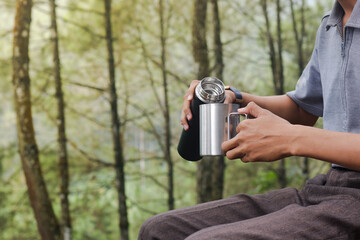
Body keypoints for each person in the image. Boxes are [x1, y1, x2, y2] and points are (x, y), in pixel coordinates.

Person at [138, 0, 360, 239]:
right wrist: (235, 98)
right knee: (159, 231)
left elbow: (297, 130)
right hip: (329, 187)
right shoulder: (331, 25)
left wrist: (290, 138)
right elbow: (303, 110)